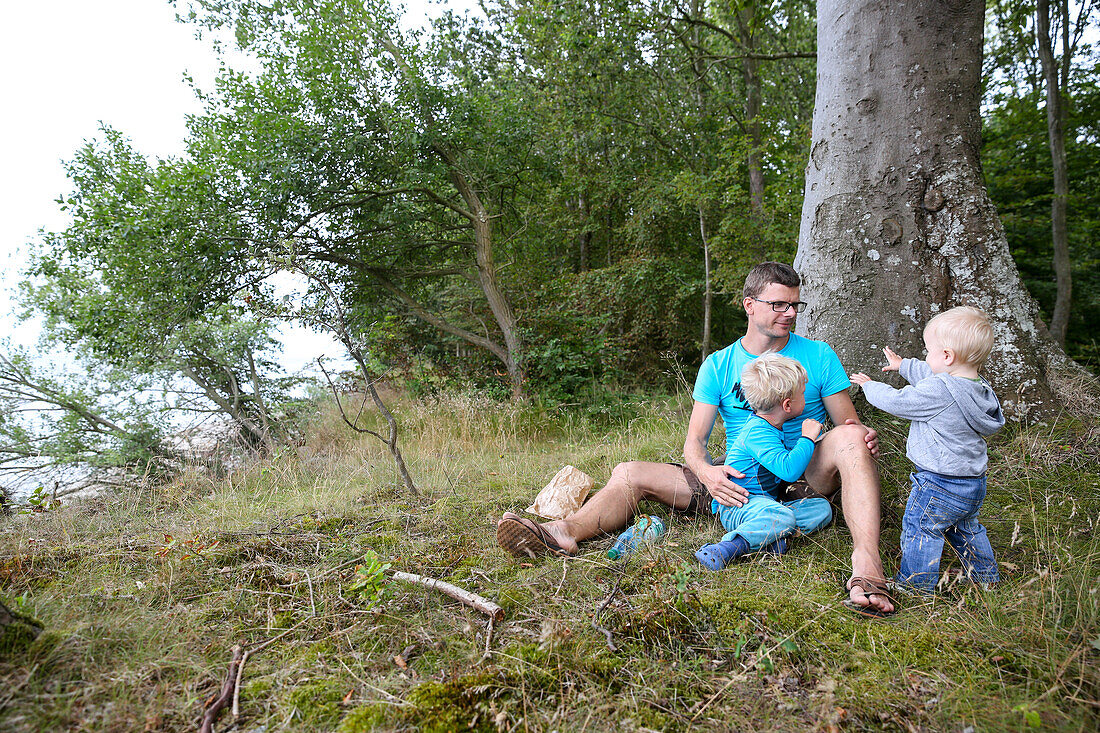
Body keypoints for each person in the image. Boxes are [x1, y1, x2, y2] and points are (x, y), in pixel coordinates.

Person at [496, 261, 895, 615]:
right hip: (740, 478)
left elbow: (847, 426)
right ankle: (561, 533)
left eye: (795, 305)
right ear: (749, 304)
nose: (790, 313)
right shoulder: (719, 365)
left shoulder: (819, 354)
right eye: (779, 304)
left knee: (852, 439)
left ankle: (866, 568)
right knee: (629, 471)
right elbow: (694, 444)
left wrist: (862, 439)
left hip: (803, 473)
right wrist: (707, 474)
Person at [850, 306, 1004, 592]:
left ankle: (916, 585)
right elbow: (935, 376)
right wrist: (905, 365)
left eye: (929, 351)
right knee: (966, 528)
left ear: (947, 356)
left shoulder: (940, 391)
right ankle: (986, 577)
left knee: (921, 527)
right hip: (973, 483)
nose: (926, 356)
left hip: (939, 482)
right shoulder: (977, 387)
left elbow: (899, 401)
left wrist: (871, 387)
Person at [694, 353, 833, 570]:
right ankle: (727, 548)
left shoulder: (769, 426)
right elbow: (788, 470)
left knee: (820, 508)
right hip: (738, 506)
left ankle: (771, 542)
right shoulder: (757, 433)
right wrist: (807, 438)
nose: (806, 398)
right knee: (781, 515)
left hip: (763, 506)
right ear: (787, 405)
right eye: (803, 394)